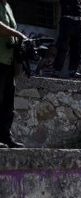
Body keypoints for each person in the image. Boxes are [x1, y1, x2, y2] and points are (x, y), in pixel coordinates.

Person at [0, 0, 26, 148]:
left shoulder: (7, 6)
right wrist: (18, 34)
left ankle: (5, 137)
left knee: (7, 104)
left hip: (8, 61)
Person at [53, 0, 81, 78]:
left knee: (77, 48)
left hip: (78, 23)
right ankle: (56, 70)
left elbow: (80, 10)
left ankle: (73, 71)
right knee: (63, 46)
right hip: (67, 21)